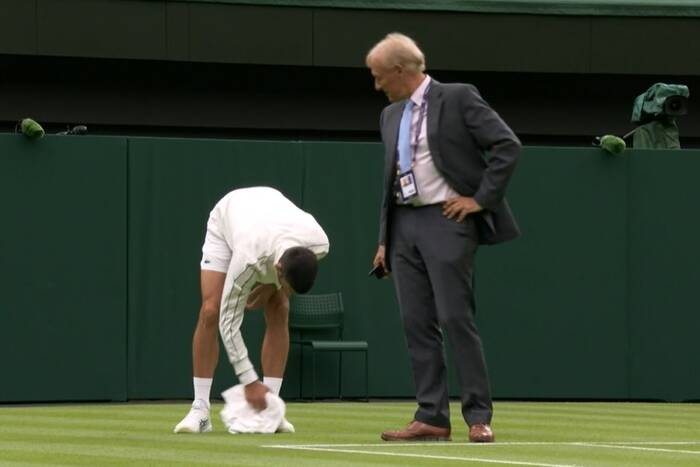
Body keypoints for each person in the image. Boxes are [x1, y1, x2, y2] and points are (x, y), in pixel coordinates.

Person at [366, 33, 521, 443]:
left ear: (401, 71)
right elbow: (389, 182)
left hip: (447, 220)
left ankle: (478, 416)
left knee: (455, 317)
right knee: (416, 322)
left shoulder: (458, 98)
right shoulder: (389, 116)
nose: (376, 84)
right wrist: (385, 240)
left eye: (379, 76)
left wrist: (479, 200)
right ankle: (431, 416)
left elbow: (507, 145)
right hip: (404, 227)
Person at [174, 186, 330, 433]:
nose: (286, 289)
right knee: (211, 311)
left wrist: (273, 289)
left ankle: (271, 411)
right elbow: (229, 323)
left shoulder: (319, 242)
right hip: (229, 220)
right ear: (279, 269)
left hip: (269, 215)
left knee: (280, 306)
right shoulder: (248, 258)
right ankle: (200, 410)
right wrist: (249, 381)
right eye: (285, 284)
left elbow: (288, 279)